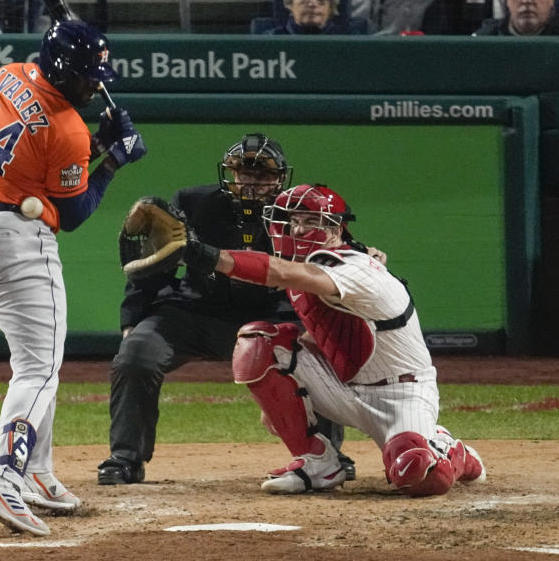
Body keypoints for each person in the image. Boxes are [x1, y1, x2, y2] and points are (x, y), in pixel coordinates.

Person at [0, 19, 147, 536]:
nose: (95, 87)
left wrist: (95, 147)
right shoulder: (69, 128)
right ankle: (3, 473)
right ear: (61, 71)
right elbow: (73, 214)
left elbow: (44, 159)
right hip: (14, 243)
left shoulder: (5, 75)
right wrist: (114, 160)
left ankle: (37, 472)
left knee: (37, 359)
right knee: (39, 368)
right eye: (86, 78)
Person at [179, 184, 487, 496]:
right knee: (258, 341)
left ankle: (451, 451)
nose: (298, 229)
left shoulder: (353, 266)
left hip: (401, 393)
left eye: (311, 221)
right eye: (292, 220)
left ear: (337, 228)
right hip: (346, 386)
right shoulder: (310, 264)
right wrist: (279, 396)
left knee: (419, 476)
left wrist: (207, 256)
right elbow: (327, 336)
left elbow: (280, 273)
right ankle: (318, 464)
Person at [97, 136, 361, 486]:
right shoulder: (193, 203)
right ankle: (125, 458)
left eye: (263, 175)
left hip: (273, 319)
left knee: (321, 353)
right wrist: (132, 320)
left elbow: (336, 250)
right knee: (137, 353)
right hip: (195, 312)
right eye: (244, 172)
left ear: (279, 178)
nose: (252, 182)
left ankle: (329, 456)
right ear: (231, 174)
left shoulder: (295, 211)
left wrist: (363, 255)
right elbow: (152, 264)